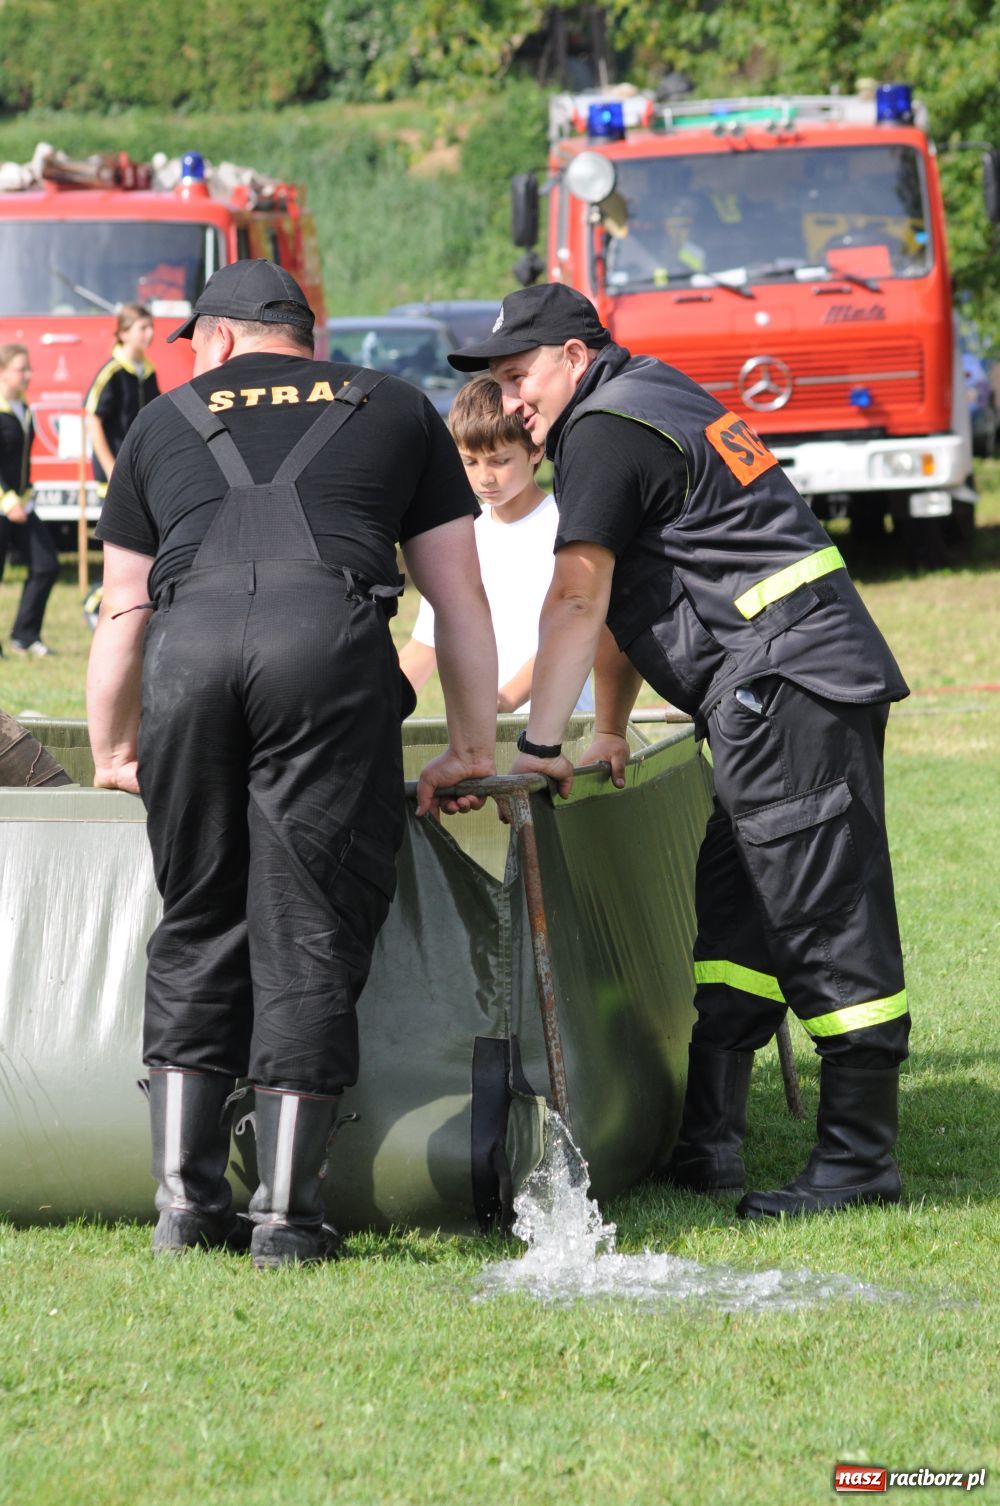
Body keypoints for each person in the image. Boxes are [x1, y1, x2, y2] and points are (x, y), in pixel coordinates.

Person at [450, 283, 910, 1219]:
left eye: (520, 376)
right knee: (738, 914)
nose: (512, 402)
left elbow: (577, 596)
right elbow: (627, 602)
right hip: (780, 690)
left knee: (821, 917)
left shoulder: (602, 433)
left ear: (574, 357)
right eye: (498, 383)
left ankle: (861, 1159)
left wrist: (541, 744)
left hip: (785, 689)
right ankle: (710, 1139)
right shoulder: (653, 395)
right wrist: (609, 727)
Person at [86, 259, 497, 1267]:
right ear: (299, 337)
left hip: (187, 653)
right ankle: (285, 1215)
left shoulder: (159, 421)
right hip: (327, 644)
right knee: (305, 922)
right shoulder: (396, 407)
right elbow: (459, 599)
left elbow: (122, 612)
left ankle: (183, 1206)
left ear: (217, 340)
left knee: (200, 920)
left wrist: (112, 747)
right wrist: (474, 743)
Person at [399, 374, 594, 717]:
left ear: (536, 449)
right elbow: (424, 647)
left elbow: (572, 632)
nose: (484, 477)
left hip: (560, 730)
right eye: (470, 462)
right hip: (485, 732)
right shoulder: (460, 537)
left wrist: (503, 700)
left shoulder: (565, 526)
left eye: (500, 461)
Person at [0, 343, 59, 658]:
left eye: (29, 368)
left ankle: (24, 636)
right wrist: (7, 499)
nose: (28, 374)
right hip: (5, 505)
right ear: (2, 371)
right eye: (21, 369)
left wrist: (24, 494)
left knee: (46, 565)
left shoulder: (23, 407)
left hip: (22, 505)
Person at [85, 303, 160, 500]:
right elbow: (93, 421)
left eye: (151, 327)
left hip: (141, 474)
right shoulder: (112, 373)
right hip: (117, 476)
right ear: (124, 334)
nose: (150, 333)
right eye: (143, 328)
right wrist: (111, 469)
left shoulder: (148, 371)